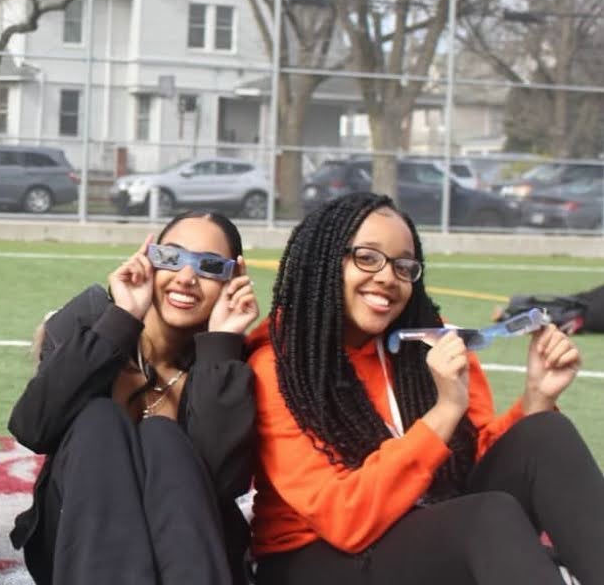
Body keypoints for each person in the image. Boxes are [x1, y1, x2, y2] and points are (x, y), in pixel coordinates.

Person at [248, 190, 604, 585]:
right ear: (324, 263)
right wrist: (444, 411)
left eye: (404, 266)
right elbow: (344, 520)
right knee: (486, 518)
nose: (387, 277)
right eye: (366, 257)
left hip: (419, 529)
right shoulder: (280, 367)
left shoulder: (428, 344)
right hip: (316, 559)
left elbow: (470, 462)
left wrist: (537, 397)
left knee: (544, 435)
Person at [8, 210, 258, 585]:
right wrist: (123, 316)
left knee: (163, 437)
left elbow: (221, 485)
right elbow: (33, 426)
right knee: (99, 420)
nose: (186, 278)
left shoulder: (225, 361)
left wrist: (221, 346)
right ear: (150, 259)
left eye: (209, 266)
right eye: (171, 258)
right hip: (79, 546)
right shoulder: (94, 319)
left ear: (232, 279)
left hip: (187, 555)